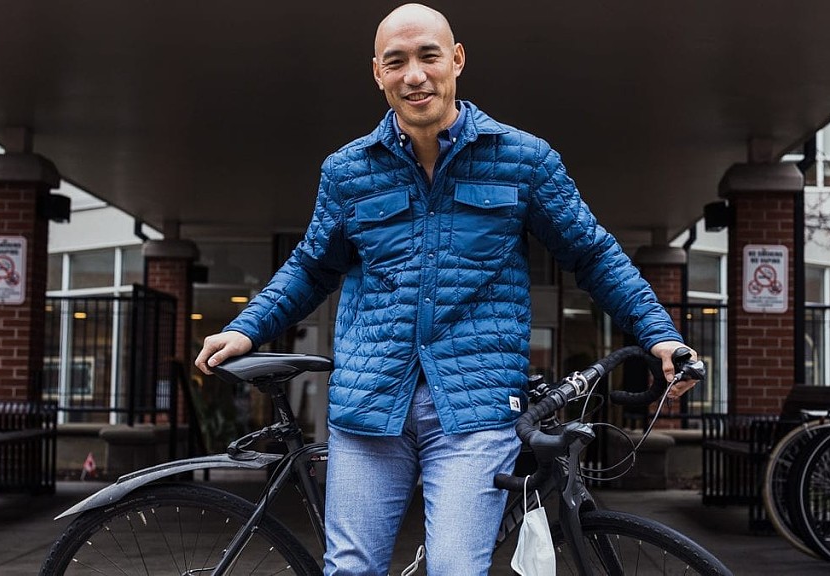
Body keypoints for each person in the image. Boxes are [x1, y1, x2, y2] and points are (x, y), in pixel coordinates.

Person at [195, 3, 698, 574]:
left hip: (475, 408)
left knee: (456, 567)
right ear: (378, 73)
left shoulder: (523, 160)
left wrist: (659, 335)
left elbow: (593, 254)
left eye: (428, 56)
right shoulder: (347, 170)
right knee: (351, 569)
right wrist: (246, 328)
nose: (414, 75)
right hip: (369, 403)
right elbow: (312, 267)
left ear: (456, 60)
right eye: (396, 62)